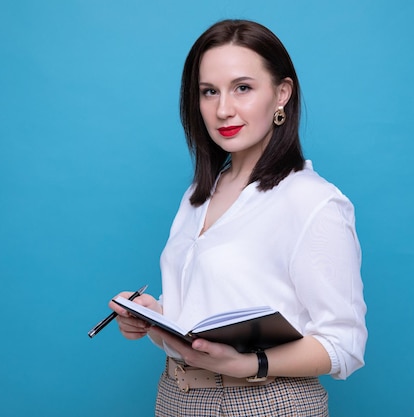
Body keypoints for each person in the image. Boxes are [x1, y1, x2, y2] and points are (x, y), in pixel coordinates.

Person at [108, 19, 367, 416]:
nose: (223, 109)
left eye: (242, 88)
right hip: (177, 397)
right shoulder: (199, 193)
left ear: (282, 93)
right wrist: (152, 317)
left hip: (264, 402)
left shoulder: (313, 201)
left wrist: (251, 364)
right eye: (209, 92)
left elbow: (344, 345)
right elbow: (200, 320)